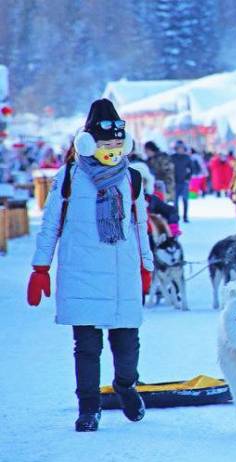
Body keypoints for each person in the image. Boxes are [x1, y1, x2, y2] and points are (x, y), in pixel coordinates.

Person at [27, 99, 153, 432]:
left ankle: (126, 386)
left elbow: (141, 225)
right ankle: (89, 407)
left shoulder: (133, 178)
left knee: (127, 343)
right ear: (88, 142)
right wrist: (41, 267)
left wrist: (146, 265)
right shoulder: (70, 176)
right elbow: (51, 222)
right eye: (104, 143)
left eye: (116, 143)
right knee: (86, 346)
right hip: (81, 270)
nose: (111, 149)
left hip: (121, 271)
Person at [171, 140, 193, 222]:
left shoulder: (187, 158)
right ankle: (176, 216)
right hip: (175, 182)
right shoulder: (172, 157)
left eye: (182, 148)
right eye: (178, 148)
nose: (180, 150)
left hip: (184, 182)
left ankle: (185, 216)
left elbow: (191, 169)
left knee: (185, 199)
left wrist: (188, 178)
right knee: (175, 201)